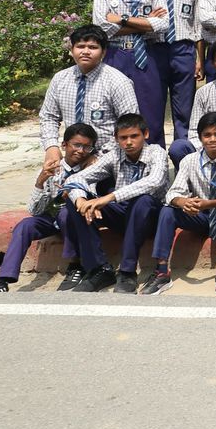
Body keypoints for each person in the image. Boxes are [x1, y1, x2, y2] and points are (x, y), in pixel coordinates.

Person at [0, 124, 100, 293]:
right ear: (64, 145)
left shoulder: (92, 170)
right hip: (50, 219)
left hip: (74, 220)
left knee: (66, 213)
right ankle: (3, 281)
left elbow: (92, 196)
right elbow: (34, 210)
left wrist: (73, 192)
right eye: (77, 145)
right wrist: (40, 182)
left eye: (87, 147)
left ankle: (75, 265)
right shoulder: (52, 169)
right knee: (24, 225)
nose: (81, 151)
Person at [63, 113, 171, 294]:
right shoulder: (114, 155)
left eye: (134, 136)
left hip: (151, 218)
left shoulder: (156, 152)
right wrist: (81, 201)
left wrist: (109, 197)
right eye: (123, 138)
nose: (128, 142)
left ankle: (127, 272)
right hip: (123, 214)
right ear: (116, 138)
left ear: (145, 134)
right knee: (76, 200)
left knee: (143, 201)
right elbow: (75, 178)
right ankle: (99, 269)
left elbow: (154, 181)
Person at [141, 112, 216, 297]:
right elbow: (172, 193)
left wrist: (209, 203)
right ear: (200, 138)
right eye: (207, 135)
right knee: (168, 211)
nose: (212, 139)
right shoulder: (189, 160)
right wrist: (183, 201)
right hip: (199, 217)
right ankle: (162, 272)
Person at [92, 0, 167, 146]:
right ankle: (114, 157)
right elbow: (101, 27)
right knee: (113, 108)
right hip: (115, 54)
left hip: (145, 54)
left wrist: (121, 19)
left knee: (151, 109)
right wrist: (145, 22)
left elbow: (163, 25)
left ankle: (154, 157)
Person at [39, 25, 139, 171]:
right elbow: (48, 117)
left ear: (103, 52)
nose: (85, 52)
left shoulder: (118, 82)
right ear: (72, 49)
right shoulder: (60, 79)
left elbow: (129, 125)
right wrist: (51, 147)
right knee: (46, 181)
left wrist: (100, 157)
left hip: (110, 157)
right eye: (80, 46)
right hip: (73, 156)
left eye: (93, 47)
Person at [145, 0, 202, 155]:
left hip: (183, 50)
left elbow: (198, 25)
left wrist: (199, 58)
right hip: (154, 49)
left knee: (184, 109)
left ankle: (182, 158)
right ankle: (155, 158)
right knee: (153, 107)